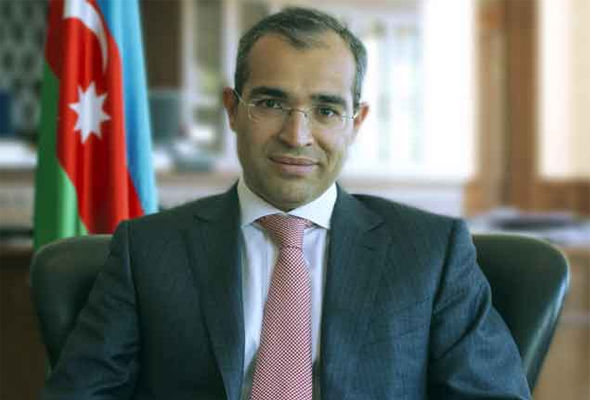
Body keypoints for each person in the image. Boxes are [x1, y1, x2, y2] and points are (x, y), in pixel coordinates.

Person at [42, 7, 531, 400]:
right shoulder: (148, 250)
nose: (297, 136)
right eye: (271, 104)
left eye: (326, 110)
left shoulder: (431, 253)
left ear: (356, 122)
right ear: (232, 109)